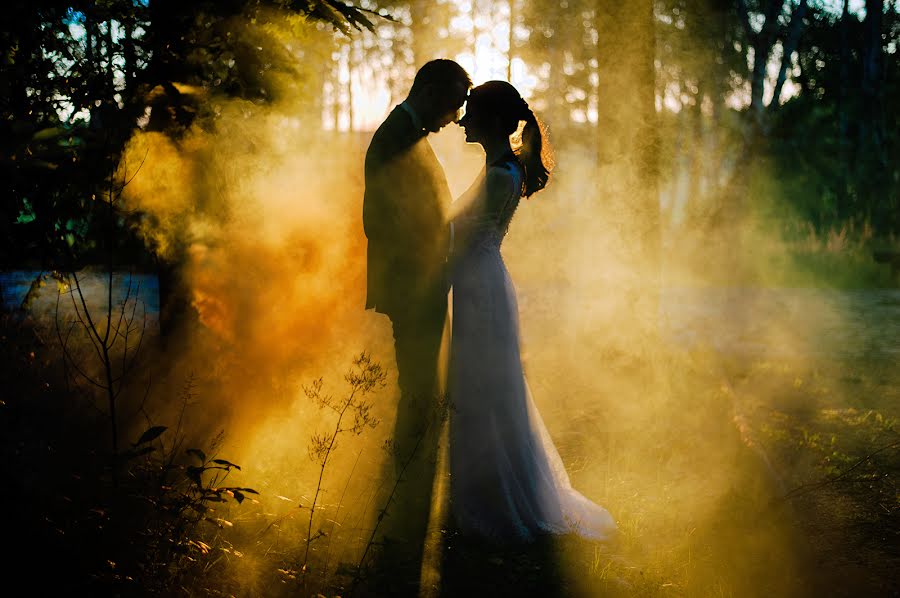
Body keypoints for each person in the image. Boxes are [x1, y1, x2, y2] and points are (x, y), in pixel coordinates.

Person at [448, 80, 617, 542]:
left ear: (494, 123)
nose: (462, 123)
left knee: (486, 388)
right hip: (480, 283)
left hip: (481, 289)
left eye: (471, 115)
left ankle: (497, 498)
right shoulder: (499, 168)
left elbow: (456, 233)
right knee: (481, 386)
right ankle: (481, 490)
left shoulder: (503, 174)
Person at [362, 59, 471, 573]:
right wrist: (431, 261)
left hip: (423, 281)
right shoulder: (394, 136)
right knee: (418, 381)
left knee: (423, 378)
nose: (454, 118)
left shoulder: (408, 131)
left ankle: (411, 470)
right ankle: (405, 479)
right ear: (427, 92)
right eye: (451, 105)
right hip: (413, 285)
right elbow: (380, 217)